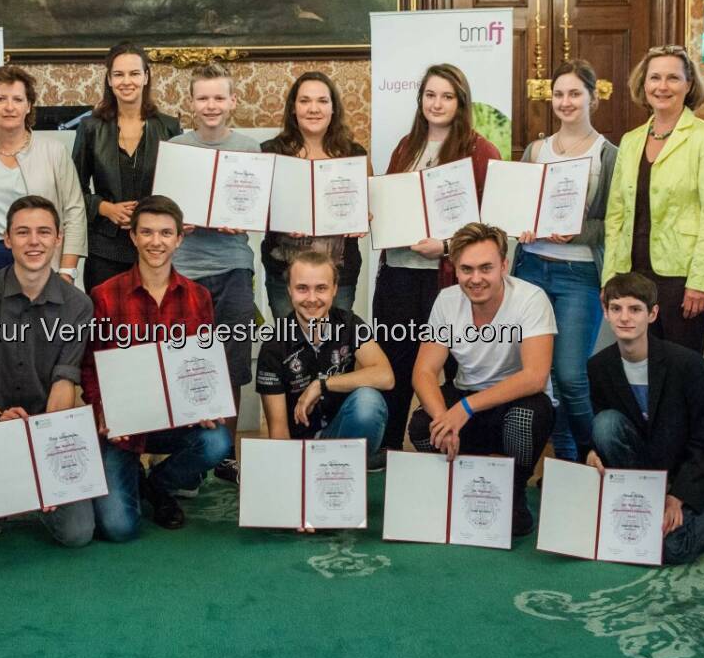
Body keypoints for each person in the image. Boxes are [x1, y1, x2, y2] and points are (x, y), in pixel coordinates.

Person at [80, 196, 234, 538]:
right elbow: (91, 367)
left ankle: (155, 485)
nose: (156, 242)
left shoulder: (198, 297)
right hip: (124, 427)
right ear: (133, 237)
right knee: (117, 529)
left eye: (166, 233)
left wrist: (206, 405)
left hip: (176, 418)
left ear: (179, 238)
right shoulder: (104, 295)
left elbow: (203, 362)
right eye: (147, 232)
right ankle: (134, 476)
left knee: (217, 442)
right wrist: (102, 412)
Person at [373, 63, 501, 469]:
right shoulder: (406, 145)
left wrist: (447, 246)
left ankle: (450, 451)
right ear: (421, 100)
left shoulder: (481, 151)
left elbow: (493, 226)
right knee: (394, 364)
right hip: (397, 273)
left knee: (446, 365)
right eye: (430, 95)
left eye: (447, 96)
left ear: (460, 102)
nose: (437, 103)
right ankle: (389, 451)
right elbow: (390, 200)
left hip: (446, 281)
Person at [585, 272, 704, 564]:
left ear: (652, 314)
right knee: (604, 424)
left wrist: (677, 496)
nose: (625, 318)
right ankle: (640, 505)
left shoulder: (687, 365)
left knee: (670, 550)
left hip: (692, 480)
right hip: (643, 478)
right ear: (605, 312)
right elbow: (597, 427)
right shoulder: (598, 367)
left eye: (635, 309)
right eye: (616, 309)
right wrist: (590, 451)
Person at [0, 195, 97, 543]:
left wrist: (46, 454)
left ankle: (30, 489)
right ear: (7, 239)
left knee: (77, 534)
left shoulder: (79, 304)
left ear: (58, 238)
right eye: (23, 232)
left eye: (44, 232)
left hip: (47, 426)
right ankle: (2, 488)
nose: (34, 241)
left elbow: (66, 381)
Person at [409, 223, 556, 536]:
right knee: (422, 427)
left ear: (504, 265)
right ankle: (464, 484)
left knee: (529, 416)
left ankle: (513, 490)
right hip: (466, 397)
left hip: (512, 404)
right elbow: (423, 372)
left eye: (486, 268)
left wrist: (464, 408)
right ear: (454, 269)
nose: (476, 279)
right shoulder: (447, 301)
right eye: (467, 269)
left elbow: (535, 376)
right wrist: (443, 418)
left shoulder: (532, 299)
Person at [512, 59, 619, 463]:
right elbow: (518, 206)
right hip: (532, 269)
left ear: (593, 97)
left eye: (575, 93)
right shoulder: (535, 150)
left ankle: (591, 457)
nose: (566, 101)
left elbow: (615, 222)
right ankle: (563, 461)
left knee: (572, 376)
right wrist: (519, 224)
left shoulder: (608, 154)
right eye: (559, 94)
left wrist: (580, 233)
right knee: (542, 379)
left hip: (579, 275)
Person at [166, 62, 260, 484]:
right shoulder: (175, 148)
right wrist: (176, 224)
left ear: (233, 101)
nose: (211, 105)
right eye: (203, 97)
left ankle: (226, 453)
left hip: (234, 268)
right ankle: (190, 451)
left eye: (219, 97)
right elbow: (163, 212)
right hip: (184, 270)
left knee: (233, 363)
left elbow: (258, 212)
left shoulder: (250, 149)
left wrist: (244, 220)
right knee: (186, 364)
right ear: (191, 103)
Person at [602, 45, 704, 354]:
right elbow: (615, 215)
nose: (662, 86)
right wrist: (609, 278)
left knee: (680, 368)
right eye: (654, 77)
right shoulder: (630, 141)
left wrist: (701, 281)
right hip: (631, 273)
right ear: (643, 84)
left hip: (681, 278)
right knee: (637, 365)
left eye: (673, 78)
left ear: (689, 85)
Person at [0, 64, 87, 286]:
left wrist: (67, 270)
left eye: (18, 99)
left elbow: (74, 211)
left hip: (43, 259)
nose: (9, 107)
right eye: (0, 99)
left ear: (28, 106)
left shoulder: (54, 152)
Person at [72, 42, 183, 294]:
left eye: (134, 73)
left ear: (146, 77)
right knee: (106, 326)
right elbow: (72, 188)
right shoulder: (90, 128)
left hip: (155, 246)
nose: (126, 81)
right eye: (118, 74)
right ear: (109, 80)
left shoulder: (169, 127)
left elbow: (179, 186)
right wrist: (104, 208)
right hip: (105, 247)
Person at [256, 250, 393, 452]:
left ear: (335, 289)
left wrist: (322, 385)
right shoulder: (273, 347)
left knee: (369, 401)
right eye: (302, 288)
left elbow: (385, 376)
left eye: (321, 288)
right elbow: (279, 432)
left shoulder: (350, 324)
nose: (312, 299)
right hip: (300, 450)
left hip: (342, 437)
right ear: (289, 290)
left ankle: (348, 468)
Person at [260, 70, 368, 320]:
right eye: (305, 101)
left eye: (322, 101)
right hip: (284, 275)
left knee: (335, 346)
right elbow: (257, 211)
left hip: (339, 274)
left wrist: (364, 215)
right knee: (291, 346)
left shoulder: (353, 154)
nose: (313, 109)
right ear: (293, 109)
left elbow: (367, 204)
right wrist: (279, 220)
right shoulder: (270, 152)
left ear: (333, 109)